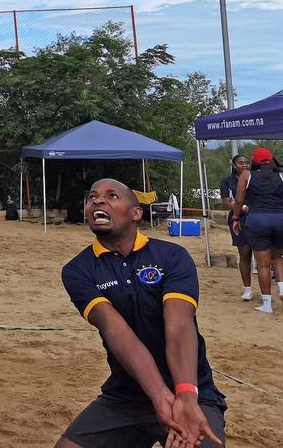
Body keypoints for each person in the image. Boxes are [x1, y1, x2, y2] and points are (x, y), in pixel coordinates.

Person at [57, 178, 226, 448]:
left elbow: (179, 327)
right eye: (92, 197)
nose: (98, 201)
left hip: (193, 391)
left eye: (112, 196)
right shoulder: (78, 270)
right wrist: (159, 396)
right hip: (126, 397)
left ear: (136, 213)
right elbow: (117, 332)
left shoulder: (171, 256)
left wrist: (184, 394)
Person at [232, 146, 283, 314]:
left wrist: (236, 218)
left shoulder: (247, 175)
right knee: (277, 256)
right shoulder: (281, 174)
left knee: (263, 264)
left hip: (258, 220)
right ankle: (282, 287)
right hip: (280, 219)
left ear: (253, 161)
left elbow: (239, 201)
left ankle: (267, 304)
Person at [219, 154, 253, 300]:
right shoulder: (227, 181)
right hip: (237, 217)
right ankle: (247, 289)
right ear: (234, 165)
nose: (244, 165)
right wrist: (242, 208)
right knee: (244, 253)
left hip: (256, 217)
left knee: (265, 254)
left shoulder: (254, 178)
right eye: (241, 163)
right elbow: (227, 203)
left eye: (246, 163)